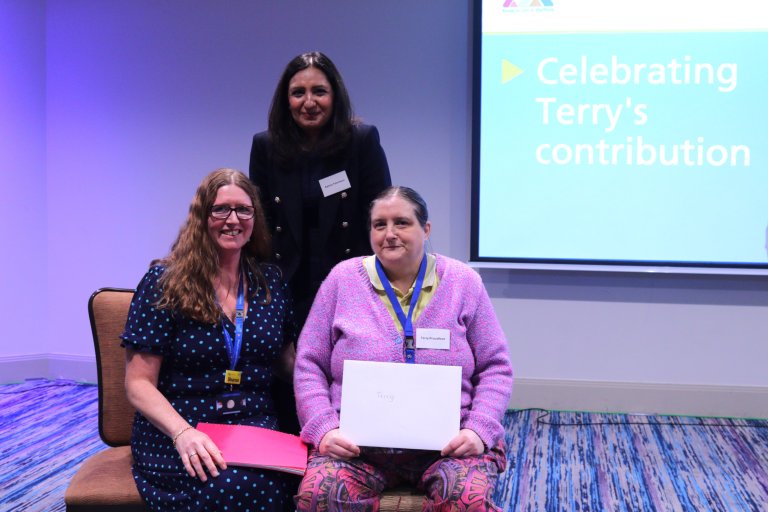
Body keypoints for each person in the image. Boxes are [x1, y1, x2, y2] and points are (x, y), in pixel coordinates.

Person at [293, 186, 514, 511]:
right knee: (320, 495)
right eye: (379, 224)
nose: (389, 234)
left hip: (449, 445)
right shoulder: (342, 280)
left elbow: (496, 367)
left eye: (402, 223)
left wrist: (478, 429)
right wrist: (325, 428)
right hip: (358, 447)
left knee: (466, 498)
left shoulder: (464, 282)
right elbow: (309, 364)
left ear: (425, 229)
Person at [121, 169, 297, 512]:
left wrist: (342, 385)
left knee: (278, 481)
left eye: (244, 210)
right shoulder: (165, 282)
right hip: (180, 425)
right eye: (221, 210)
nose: (233, 220)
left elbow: (288, 363)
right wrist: (182, 433)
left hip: (253, 423)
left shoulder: (270, 283)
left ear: (255, 218)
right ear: (203, 216)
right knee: (229, 486)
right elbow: (138, 384)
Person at [249, 51, 392, 435]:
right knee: (291, 370)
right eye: (298, 93)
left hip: (348, 279)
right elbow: (259, 223)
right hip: (287, 282)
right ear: (286, 99)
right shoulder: (265, 146)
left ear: (335, 95)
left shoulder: (361, 140)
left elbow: (379, 213)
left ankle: (348, 447)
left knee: (345, 368)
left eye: (319, 91)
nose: (309, 102)